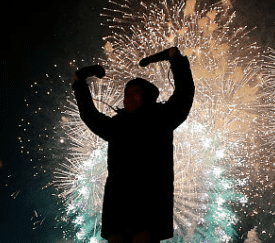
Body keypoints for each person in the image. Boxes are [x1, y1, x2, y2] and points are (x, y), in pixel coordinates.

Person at [72, 46, 195, 243]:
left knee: (142, 238)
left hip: (149, 201)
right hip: (117, 203)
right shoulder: (116, 126)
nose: (129, 97)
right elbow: (90, 116)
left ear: (147, 96)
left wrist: (176, 60)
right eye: (127, 93)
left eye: (135, 92)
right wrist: (80, 84)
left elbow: (184, 94)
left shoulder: (161, 118)